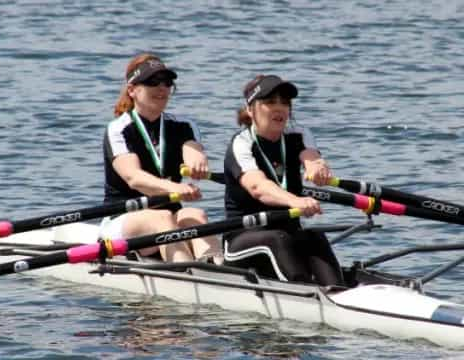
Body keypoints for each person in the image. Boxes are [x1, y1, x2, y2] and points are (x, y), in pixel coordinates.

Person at [101, 53, 222, 263]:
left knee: (196, 215)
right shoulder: (119, 129)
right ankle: (187, 280)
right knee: (162, 218)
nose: (162, 88)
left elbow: (192, 148)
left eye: (167, 82)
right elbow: (134, 178)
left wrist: (197, 161)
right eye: (152, 82)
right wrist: (173, 188)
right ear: (132, 90)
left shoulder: (184, 126)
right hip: (123, 221)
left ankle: (221, 273)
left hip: (170, 219)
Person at [223, 74, 343, 285]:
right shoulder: (241, 144)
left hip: (288, 235)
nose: (279, 108)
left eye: (285, 102)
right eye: (269, 102)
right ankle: (307, 295)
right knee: (277, 238)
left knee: (314, 236)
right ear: (250, 110)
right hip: (243, 240)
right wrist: (294, 200)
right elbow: (258, 187)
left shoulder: (298, 134)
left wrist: (317, 167)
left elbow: (311, 156)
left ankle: (339, 292)